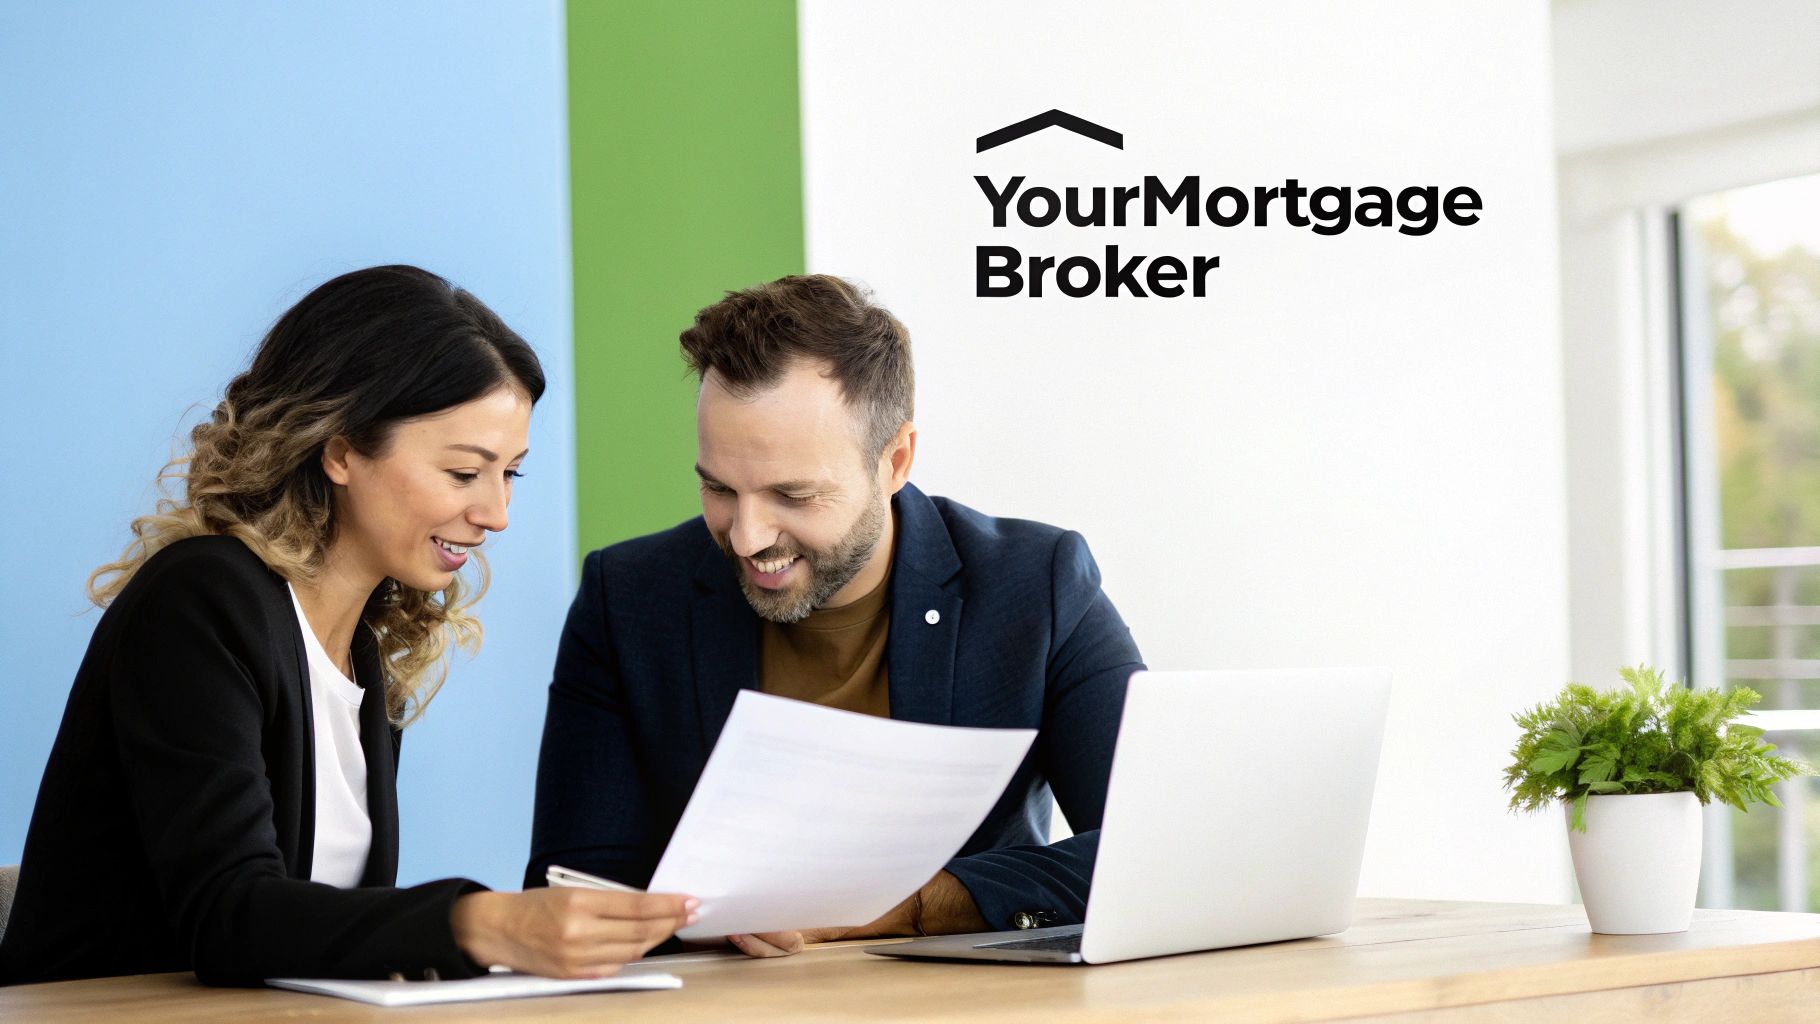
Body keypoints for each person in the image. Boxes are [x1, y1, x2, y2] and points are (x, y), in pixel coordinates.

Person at [0, 266, 694, 987]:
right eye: (464, 473)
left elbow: (318, 935)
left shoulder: (361, 651)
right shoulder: (201, 599)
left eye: (510, 474)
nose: (496, 513)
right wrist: (479, 922)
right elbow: (227, 916)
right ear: (340, 450)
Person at [527, 274, 1145, 957]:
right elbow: (574, 894)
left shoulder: (1035, 585)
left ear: (896, 460)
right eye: (719, 487)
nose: (747, 537)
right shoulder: (629, 600)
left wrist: (908, 908)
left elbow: (1155, 844)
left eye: (793, 494)